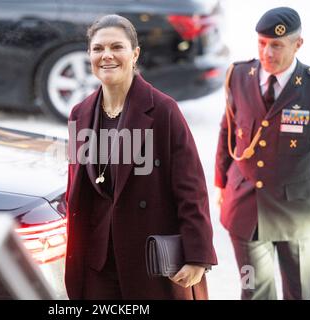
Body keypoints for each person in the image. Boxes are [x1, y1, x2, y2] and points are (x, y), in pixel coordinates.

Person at [64, 14, 217, 300]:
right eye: (98, 49)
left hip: (151, 261)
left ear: (134, 54)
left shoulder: (163, 111)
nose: (107, 55)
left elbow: (191, 189)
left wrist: (198, 256)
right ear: (89, 55)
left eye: (116, 47)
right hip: (97, 264)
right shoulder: (79, 114)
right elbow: (78, 188)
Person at [215, 7, 310, 300]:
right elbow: (227, 131)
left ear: (297, 44)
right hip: (246, 209)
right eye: (262, 43)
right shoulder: (239, 75)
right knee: (254, 291)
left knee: (298, 292)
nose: (267, 52)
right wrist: (220, 183)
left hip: (295, 214)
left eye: (276, 45)